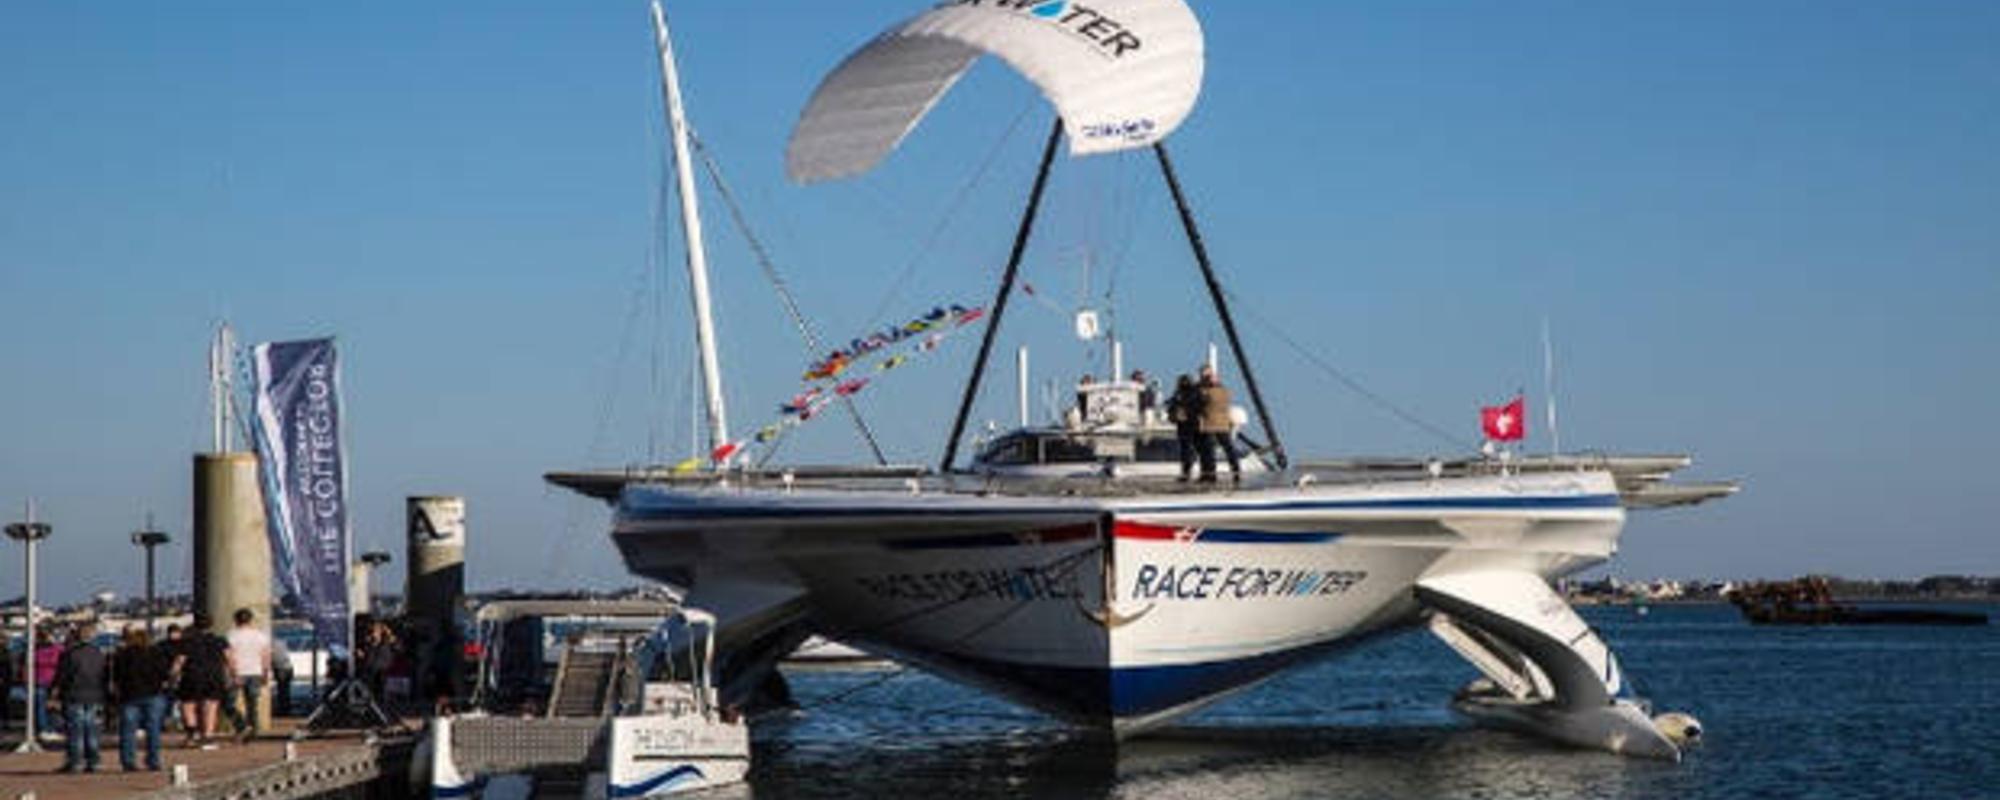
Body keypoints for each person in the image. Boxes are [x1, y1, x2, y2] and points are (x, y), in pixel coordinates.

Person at [51, 621, 109, 773]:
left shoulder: (69, 654)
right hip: (94, 694)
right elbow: (104, 675)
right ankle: (94, 761)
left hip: (74, 694)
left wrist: (56, 692)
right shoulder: (99, 653)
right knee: (92, 730)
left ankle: (76, 761)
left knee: (75, 731)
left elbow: (62, 676)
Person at [111, 625, 170, 772]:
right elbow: (164, 673)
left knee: (128, 730)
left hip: (129, 695)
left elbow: (117, 676)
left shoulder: (123, 654)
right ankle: (153, 760)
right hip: (153, 693)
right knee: (153, 729)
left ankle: (128, 761)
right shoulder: (156, 653)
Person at [170, 613, 231, 749]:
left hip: (192, 675)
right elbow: (229, 658)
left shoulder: (187, 641)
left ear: (194, 624)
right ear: (211, 624)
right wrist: (231, 675)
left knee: (188, 704)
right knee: (210, 705)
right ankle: (208, 736)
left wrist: (173, 676)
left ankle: (191, 735)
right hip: (213, 675)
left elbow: (180, 661)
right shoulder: (220, 641)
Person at [224, 607, 273, 741]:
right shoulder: (261, 636)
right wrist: (265, 673)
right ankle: (253, 730)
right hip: (256, 672)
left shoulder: (231, 636)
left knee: (228, 703)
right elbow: (266, 656)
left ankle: (241, 726)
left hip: (238, 672)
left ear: (235, 620)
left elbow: (229, 657)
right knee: (252, 704)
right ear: (251, 620)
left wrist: (233, 673)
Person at [1197, 365, 1241, 482]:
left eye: (1204, 376)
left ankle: (1209, 474)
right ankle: (1236, 471)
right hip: (1222, 424)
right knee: (1228, 448)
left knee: (1208, 451)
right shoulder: (1224, 390)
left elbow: (1201, 403)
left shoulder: (1205, 391)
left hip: (1210, 424)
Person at [1166, 374, 1203, 482]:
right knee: (1186, 449)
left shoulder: (1192, 393)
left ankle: (1188, 471)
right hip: (1184, 424)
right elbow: (1172, 406)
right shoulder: (1180, 393)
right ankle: (1186, 471)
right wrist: (1174, 413)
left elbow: (1198, 406)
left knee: (1191, 449)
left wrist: (1184, 412)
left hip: (1191, 424)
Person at [33, 624, 65, 740]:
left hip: (47, 681)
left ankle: (48, 729)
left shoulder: (35, 649)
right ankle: (45, 729)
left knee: (45, 707)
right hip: (45, 681)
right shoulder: (57, 649)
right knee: (44, 707)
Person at [271, 632, 294, 718]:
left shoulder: (271, 645)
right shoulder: (281, 642)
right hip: (288, 667)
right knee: (285, 690)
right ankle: (286, 709)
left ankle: (283, 710)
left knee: (282, 690)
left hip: (281, 669)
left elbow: (274, 659)